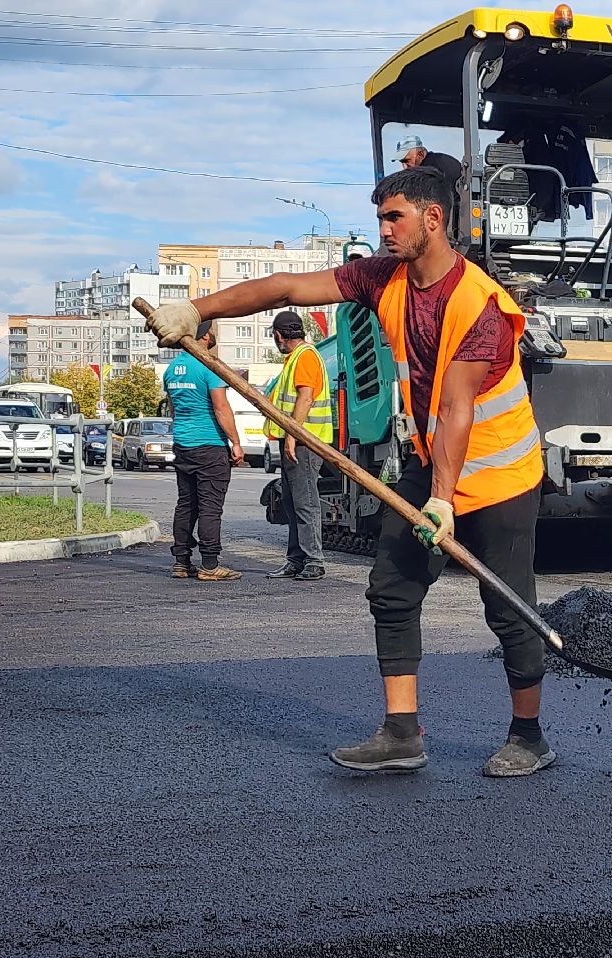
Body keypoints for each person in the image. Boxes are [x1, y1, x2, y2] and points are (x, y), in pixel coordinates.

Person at [146, 166, 551, 779]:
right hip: (429, 461)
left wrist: (442, 502)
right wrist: (192, 309)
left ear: (432, 219)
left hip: (499, 474)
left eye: (395, 217)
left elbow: (458, 407)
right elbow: (285, 288)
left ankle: (529, 736)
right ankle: (401, 733)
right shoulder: (382, 278)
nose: (384, 229)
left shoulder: (481, 306)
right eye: (381, 217)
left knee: (508, 604)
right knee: (392, 587)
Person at [162, 320, 245, 581]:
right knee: (210, 506)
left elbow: (174, 408)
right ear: (206, 336)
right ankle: (210, 565)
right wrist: (236, 442)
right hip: (210, 445)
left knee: (186, 504)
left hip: (183, 444)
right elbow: (221, 408)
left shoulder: (172, 370)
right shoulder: (209, 367)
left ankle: (181, 562)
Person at [263, 310, 331, 582]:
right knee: (293, 502)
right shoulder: (297, 358)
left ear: (278, 335)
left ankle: (313, 561)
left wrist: (292, 434)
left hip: (304, 442)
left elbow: (306, 398)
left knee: (305, 503)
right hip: (297, 441)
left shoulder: (304, 357)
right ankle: (296, 559)